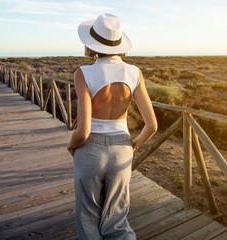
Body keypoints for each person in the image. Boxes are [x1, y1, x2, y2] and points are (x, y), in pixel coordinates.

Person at [67, 13, 158, 240]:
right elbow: (152, 125)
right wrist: (132, 146)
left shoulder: (83, 73)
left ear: (92, 44)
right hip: (122, 148)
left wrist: (72, 147)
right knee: (117, 220)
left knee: (88, 217)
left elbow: (84, 130)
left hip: (90, 149)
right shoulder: (135, 73)